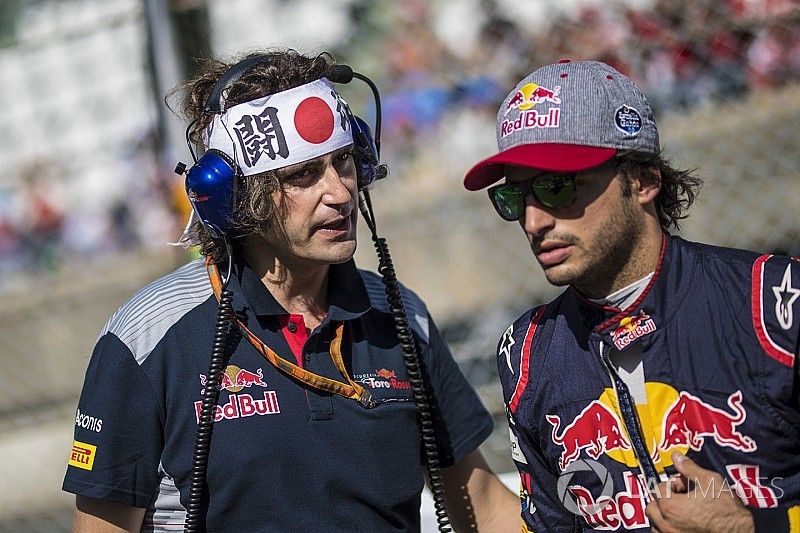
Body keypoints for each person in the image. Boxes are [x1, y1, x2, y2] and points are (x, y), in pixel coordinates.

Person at [63, 49, 518, 532]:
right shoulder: (148, 337)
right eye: (302, 175)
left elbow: (482, 508)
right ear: (235, 198)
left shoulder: (401, 315)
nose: (340, 192)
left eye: (343, 162)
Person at [463, 59, 799, 532]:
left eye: (556, 187)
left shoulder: (775, 303)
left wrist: (751, 526)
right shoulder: (527, 352)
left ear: (642, 180)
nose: (534, 222)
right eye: (516, 199)